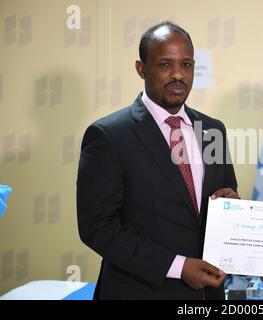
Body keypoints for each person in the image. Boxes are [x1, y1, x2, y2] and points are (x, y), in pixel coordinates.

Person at [76, 21, 239, 300]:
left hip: (208, 295)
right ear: (141, 68)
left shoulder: (213, 130)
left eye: (186, 65)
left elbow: (225, 199)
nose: (178, 74)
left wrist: (231, 204)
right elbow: (98, 227)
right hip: (140, 291)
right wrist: (177, 266)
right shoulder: (108, 136)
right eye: (165, 64)